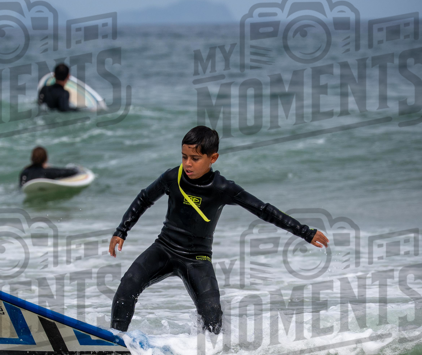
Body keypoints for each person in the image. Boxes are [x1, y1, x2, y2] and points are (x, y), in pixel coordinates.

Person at [108, 125, 329, 335]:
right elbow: (144, 198)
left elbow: (263, 210)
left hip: (197, 259)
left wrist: (304, 232)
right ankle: (116, 341)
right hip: (163, 248)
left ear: (212, 158)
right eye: (184, 157)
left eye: (195, 158)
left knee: (212, 318)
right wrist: (122, 230)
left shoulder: (223, 188)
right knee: (127, 287)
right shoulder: (172, 177)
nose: (188, 164)